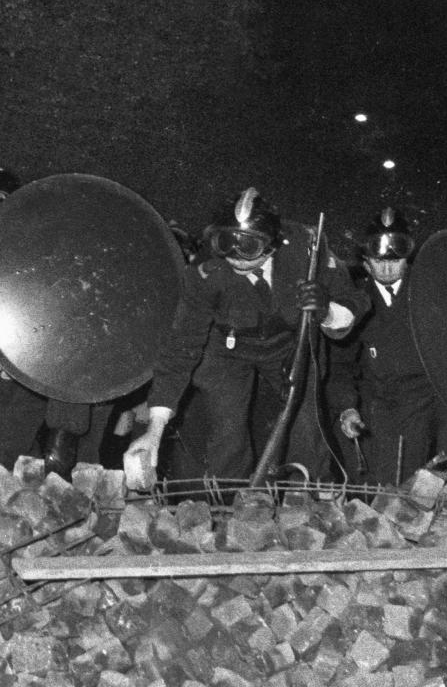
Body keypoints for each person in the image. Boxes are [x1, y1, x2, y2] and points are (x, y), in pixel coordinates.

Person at [128, 189, 364, 488]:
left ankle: (312, 499)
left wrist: (327, 310)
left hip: (290, 344)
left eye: (249, 246)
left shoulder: (306, 248)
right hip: (226, 348)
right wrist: (155, 429)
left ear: (272, 244)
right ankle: (227, 502)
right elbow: (181, 347)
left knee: (305, 424)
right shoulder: (205, 271)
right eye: (227, 243)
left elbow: (354, 301)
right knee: (227, 428)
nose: (236, 257)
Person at [332, 207, 447, 486]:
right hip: (378, 405)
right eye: (378, 261)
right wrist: (347, 408)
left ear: (408, 259)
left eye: (395, 260)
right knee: (381, 486)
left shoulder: (431, 293)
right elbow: (341, 366)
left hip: (428, 400)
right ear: (366, 263)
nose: (387, 267)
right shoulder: (355, 301)